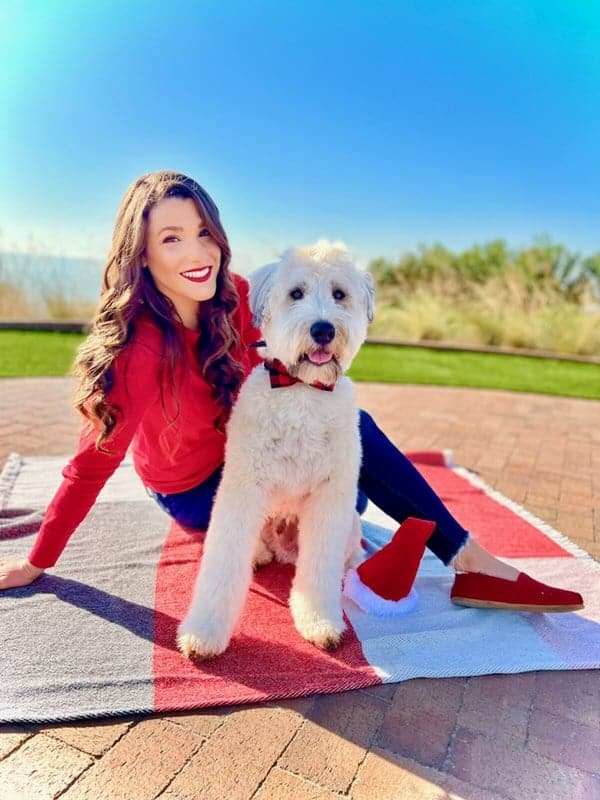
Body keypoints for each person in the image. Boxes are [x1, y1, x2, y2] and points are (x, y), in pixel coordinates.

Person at [0, 171, 583, 613]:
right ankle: (378, 553)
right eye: (171, 239)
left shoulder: (236, 293)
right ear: (143, 254)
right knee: (341, 496)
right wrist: (36, 560)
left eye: (204, 233)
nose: (197, 253)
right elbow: (92, 465)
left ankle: (466, 559)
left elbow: (299, 365)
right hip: (195, 487)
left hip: (255, 450)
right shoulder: (142, 350)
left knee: (347, 440)